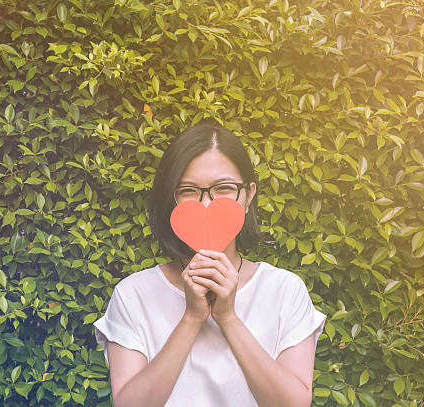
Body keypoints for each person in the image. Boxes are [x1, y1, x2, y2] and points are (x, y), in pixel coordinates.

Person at [93, 122, 327, 407]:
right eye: (189, 190)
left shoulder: (284, 291)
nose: (206, 204)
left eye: (224, 188)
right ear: (172, 198)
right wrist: (192, 317)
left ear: (249, 194)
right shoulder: (134, 294)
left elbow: (293, 405)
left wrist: (227, 317)